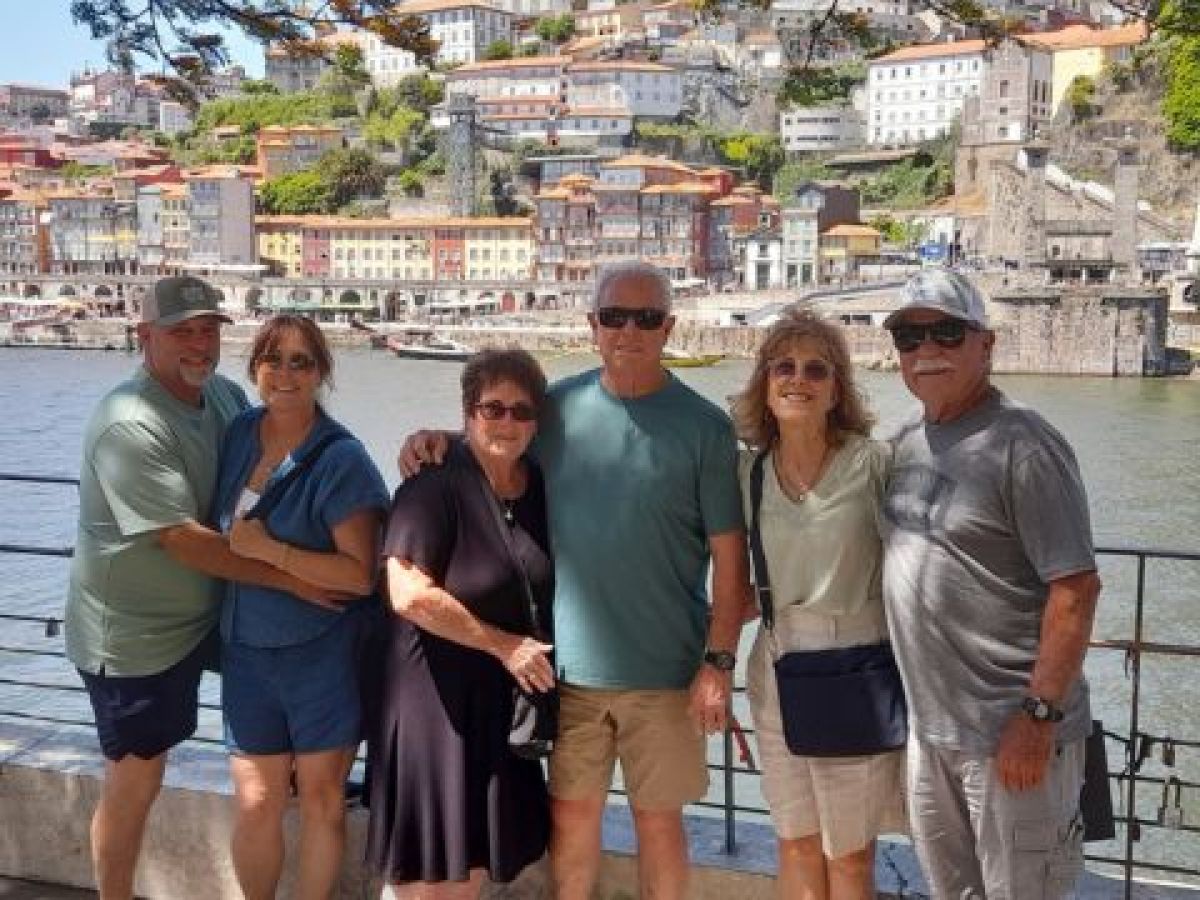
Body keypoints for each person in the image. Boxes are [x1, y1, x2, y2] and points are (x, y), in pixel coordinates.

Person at [400, 261, 747, 900]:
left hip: (667, 672)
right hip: (569, 672)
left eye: (645, 317)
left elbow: (732, 562)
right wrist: (438, 439)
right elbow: (500, 436)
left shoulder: (705, 429)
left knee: (660, 824)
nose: (629, 330)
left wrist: (718, 664)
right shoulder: (558, 409)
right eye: (614, 316)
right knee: (573, 819)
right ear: (592, 325)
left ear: (669, 326)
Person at [64, 277, 336, 900]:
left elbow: (278, 451)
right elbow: (184, 540)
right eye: (181, 331)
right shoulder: (127, 421)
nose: (198, 343)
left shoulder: (223, 395)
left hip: (206, 617)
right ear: (145, 337)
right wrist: (294, 577)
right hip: (133, 634)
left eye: (207, 329)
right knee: (136, 774)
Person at [880, 267, 1102, 899]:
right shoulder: (899, 441)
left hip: (1012, 734)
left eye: (947, 333)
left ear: (986, 344)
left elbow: (1076, 588)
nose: (926, 351)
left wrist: (1037, 716)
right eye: (909, 337)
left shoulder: (1023, 445)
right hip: (931, 734)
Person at [729, 307, 907, 900]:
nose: (797, 379)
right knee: (795, 841)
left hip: (855, 664)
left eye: (815, 370)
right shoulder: (747, 474)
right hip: (777, 665)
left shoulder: (873, 464)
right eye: (783, 367)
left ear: (837, 390)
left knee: (850, 855)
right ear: (765, 382)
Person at [210, 314, 389, 900]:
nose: (285, 373)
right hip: (245, 652)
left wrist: (272, 551)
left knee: (321, 800)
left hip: (323, 657)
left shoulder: (342, 460)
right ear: (254, 367)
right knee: (257, 800)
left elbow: (360, 576)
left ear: (322, 373)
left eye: (300, 361)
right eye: (272, 358)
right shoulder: (239, 433)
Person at [366, 346, 554, 898]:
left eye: (522, 411)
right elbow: (408, 595)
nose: (507, 422)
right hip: (434, 707)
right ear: (469, 412)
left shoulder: (539, 486)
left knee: (468, 868)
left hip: (499, 706)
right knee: (425, 874)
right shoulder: (433, 485)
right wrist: (504, 646)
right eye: (492, 409)